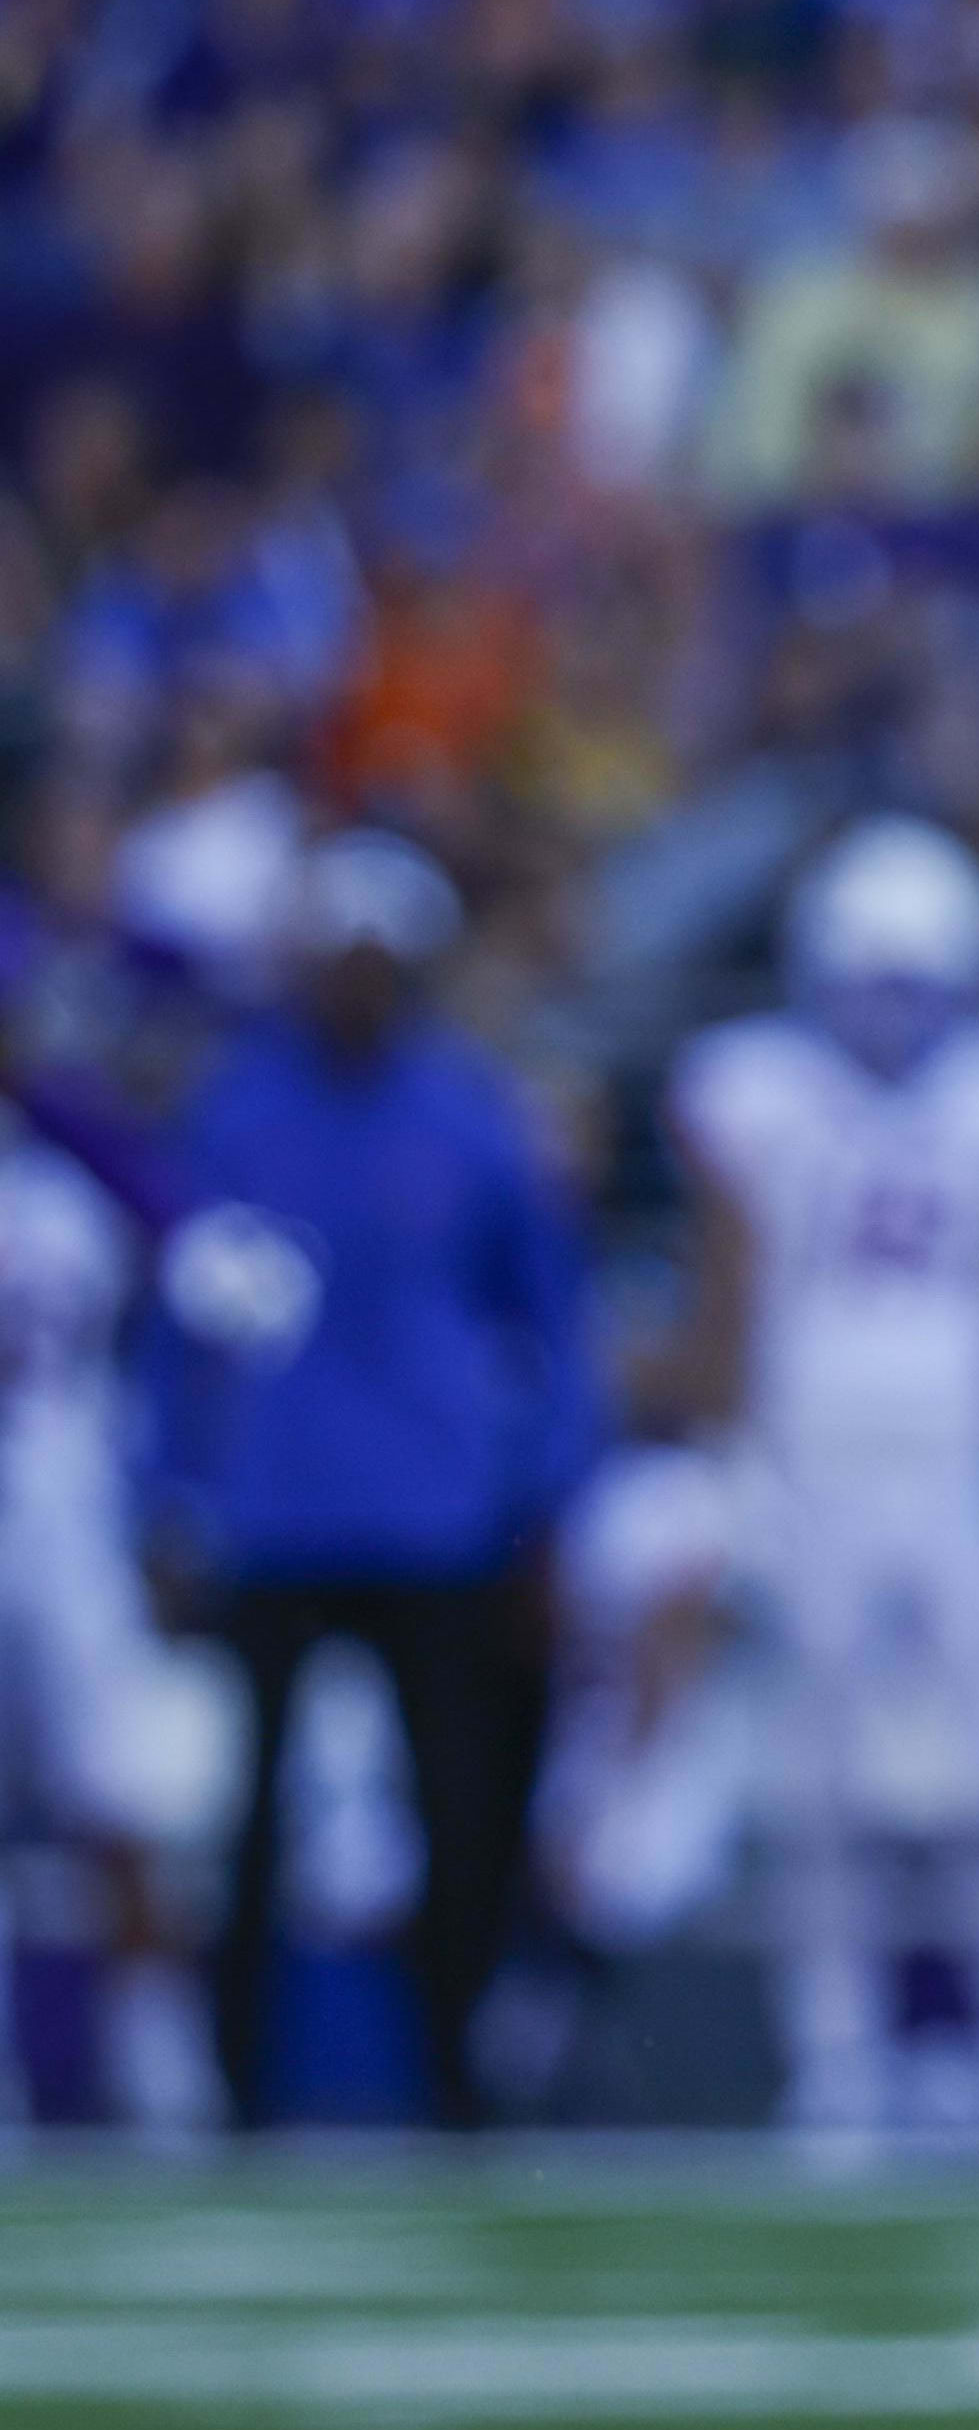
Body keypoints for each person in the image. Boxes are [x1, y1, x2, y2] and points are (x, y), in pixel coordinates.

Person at [668, 817, 979, 2130]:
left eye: (914, 984)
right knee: (811, 1774)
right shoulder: (754, 1087)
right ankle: (839, 2055)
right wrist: (724, 1456)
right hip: (811, 1458)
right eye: (869, 983)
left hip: (965, 1460)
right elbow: (731, 1282)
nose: (890, 1015)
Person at [152, 832, 595, 2130]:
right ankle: (240, 2084)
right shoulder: (236, 1107)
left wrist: (544, 1496)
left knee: (454, 1811)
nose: (355, 980)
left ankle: (457, 2075)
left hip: (434, 1512)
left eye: (375, 959)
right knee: (250, 1821)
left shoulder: (472, 1115)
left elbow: (552, 1322)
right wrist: (170, 1489)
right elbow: (179, 1326)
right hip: (275, 1507)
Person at [0, 1089, 225, 2132]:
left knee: (116, 1790)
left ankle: (160, 2059)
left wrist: (164, 1500)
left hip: (68, 1503)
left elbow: (177, 1321)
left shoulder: (69, 1188)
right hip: (61, 1495)